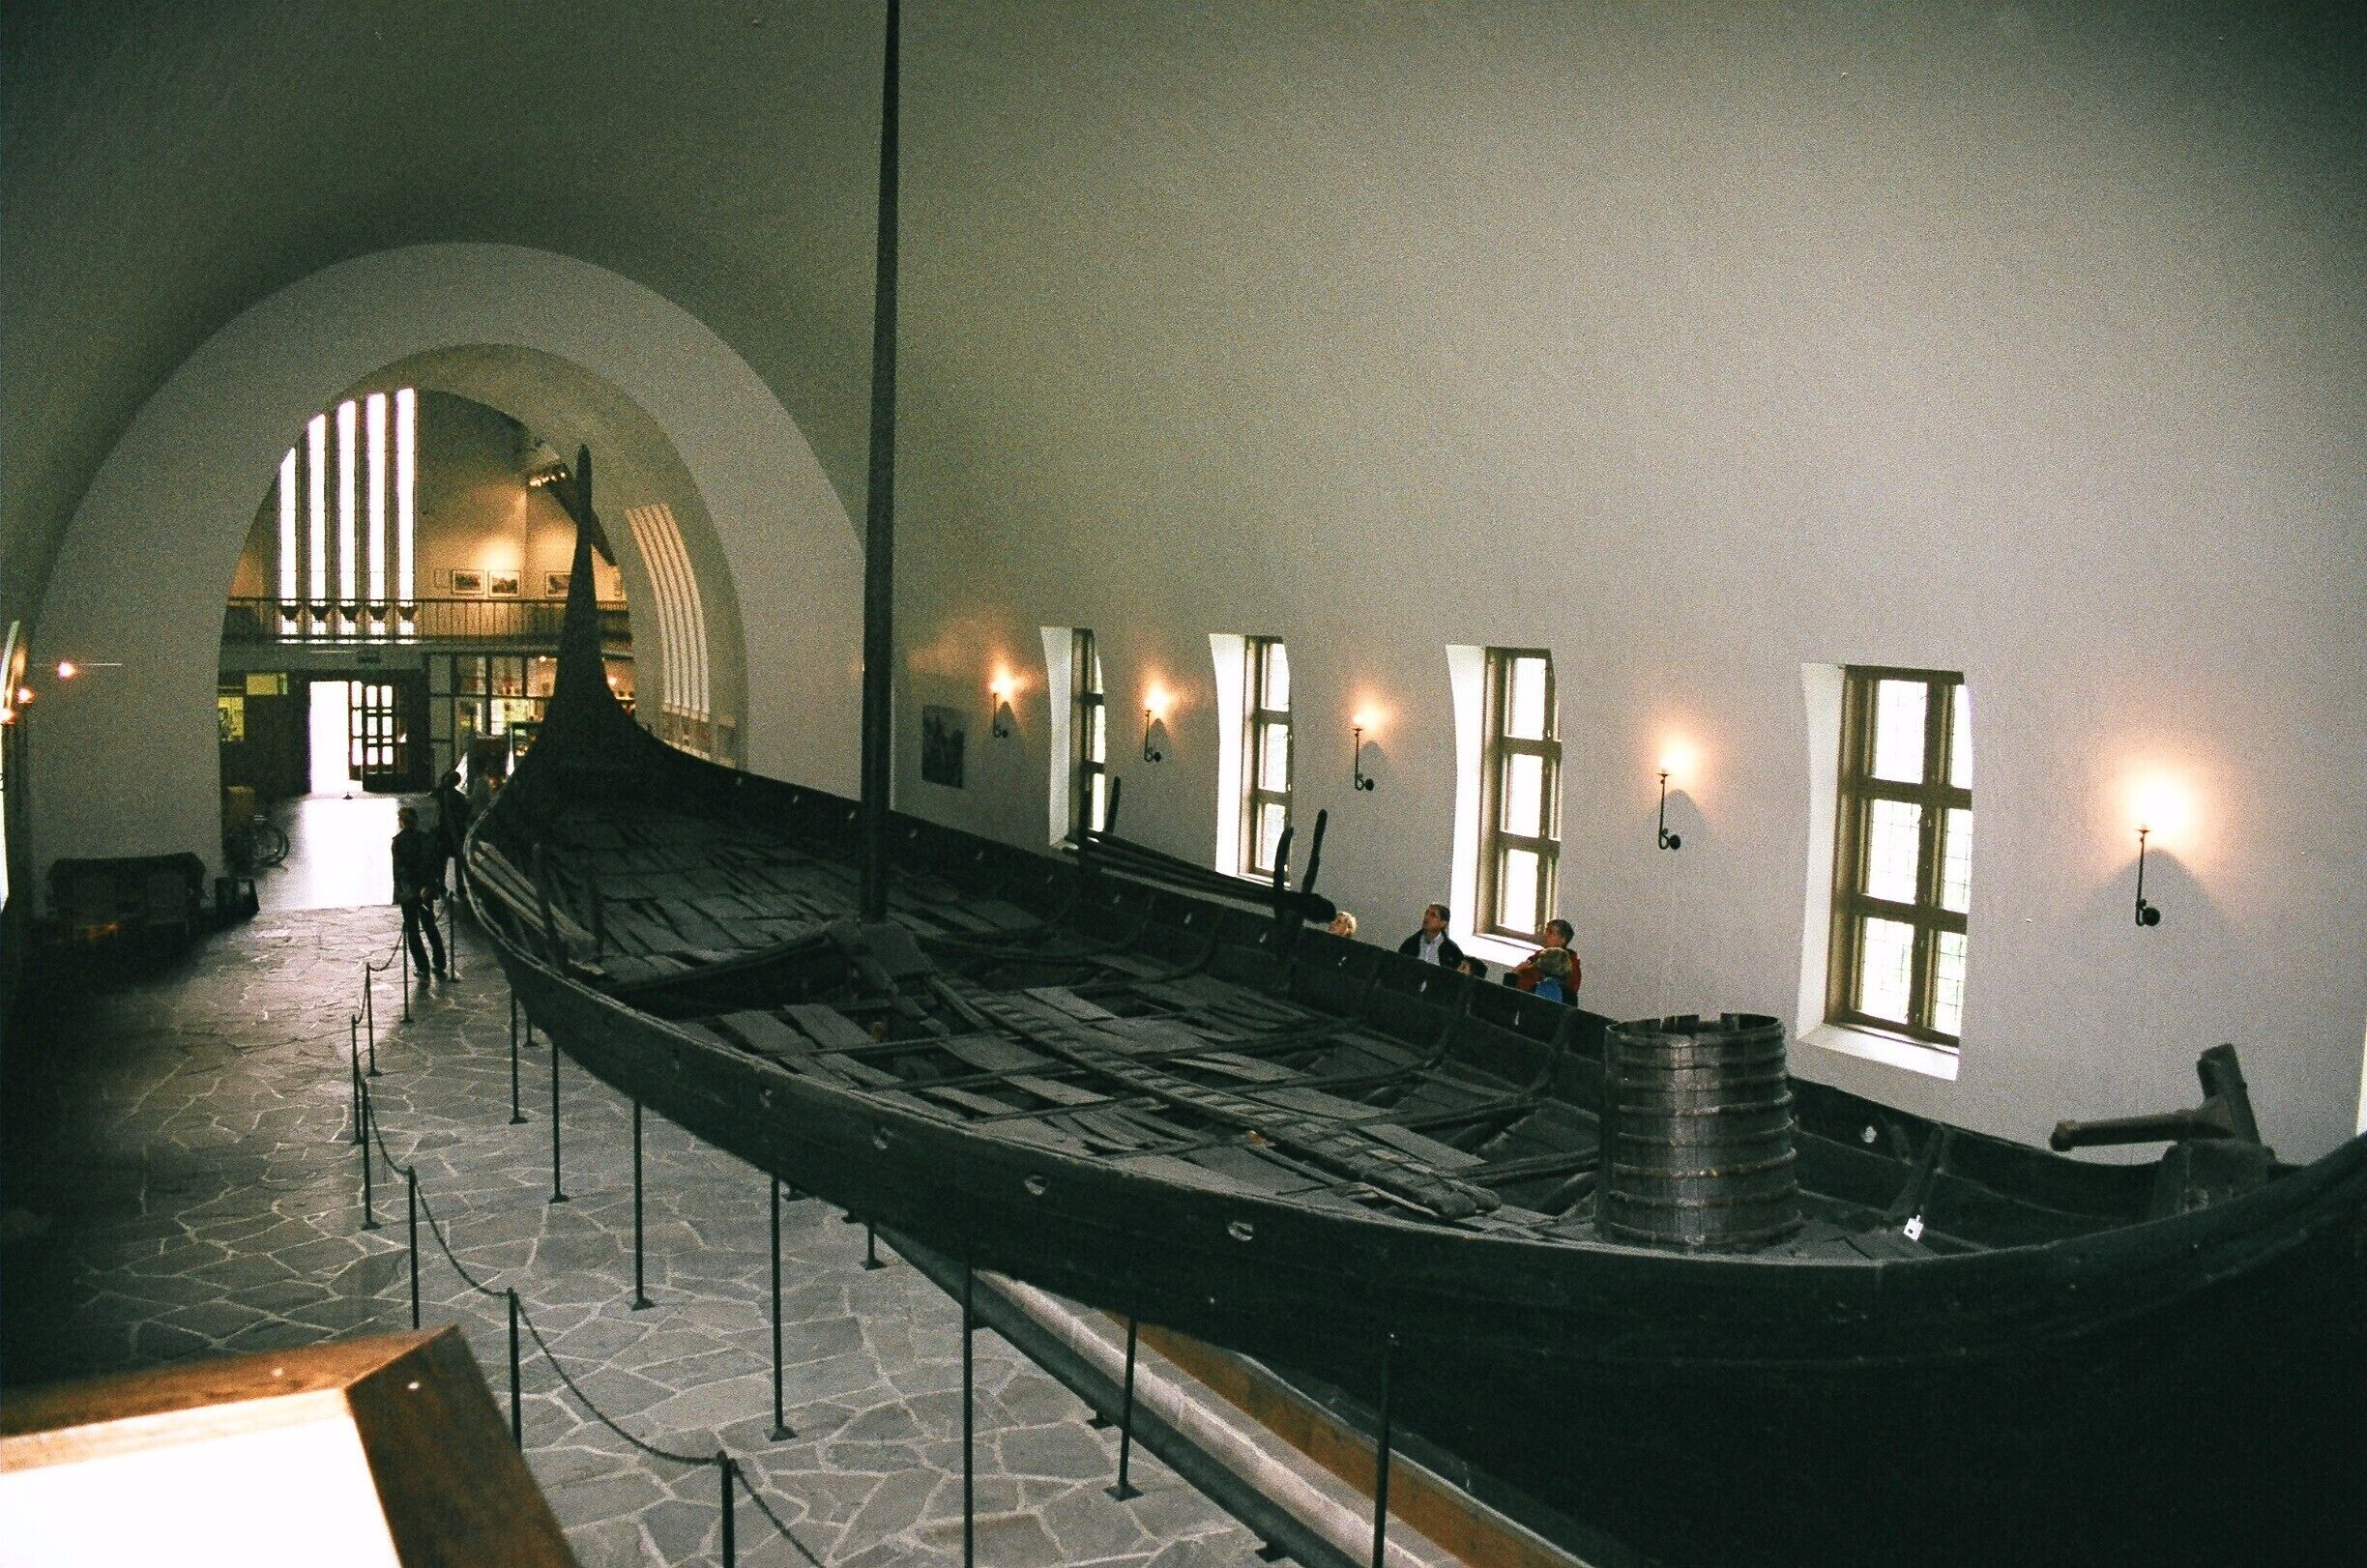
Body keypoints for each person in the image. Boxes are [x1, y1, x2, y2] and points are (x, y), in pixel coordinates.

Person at [393, 805, 449, 979]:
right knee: (430, 925)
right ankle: (440, 962)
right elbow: (433, 865)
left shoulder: (398, 842)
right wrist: (428, 886)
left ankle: (422, 967)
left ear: (401, 822)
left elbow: (399, 870)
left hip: (409, 892)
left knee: (413, 931)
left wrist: (400, 891)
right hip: (425, 891)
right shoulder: (427, 839)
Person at [1510, 918, 1582, 995]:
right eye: (1546, 931)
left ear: (1562, 940)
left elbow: (1568, 993)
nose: (1545, 935)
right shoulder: (1537, 956)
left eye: (1550, 932)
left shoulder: (1570, 965)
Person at [432, 769, 473, 897]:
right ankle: (460, 885)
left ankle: (441, 884)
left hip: (444, 831)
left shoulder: (440, 795)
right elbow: (466, 812)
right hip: (457, 831)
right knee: (458, 860)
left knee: (442, 859)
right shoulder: (459, 797)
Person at [1397, 903, 1464, 968]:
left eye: (1433, 915)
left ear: (1443, 923)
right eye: (1426, 913)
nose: (1427, 917)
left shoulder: (1452, 950)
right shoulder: (1410, 943)